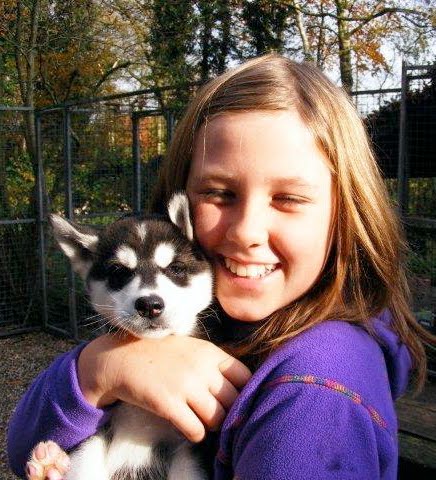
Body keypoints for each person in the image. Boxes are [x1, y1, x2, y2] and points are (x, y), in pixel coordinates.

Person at [8, 54, 434, 480]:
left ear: (347, 217)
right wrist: (98, 370)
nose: (247, 231)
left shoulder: (314, 395)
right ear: (183, 204)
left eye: (288, 198)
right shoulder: (220, 318)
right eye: (219, 193)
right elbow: (23, 450)